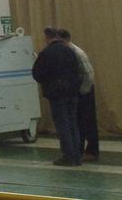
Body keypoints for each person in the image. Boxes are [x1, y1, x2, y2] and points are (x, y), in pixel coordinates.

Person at [31, 26, 83, 167]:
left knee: (63, 125)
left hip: (57, 94)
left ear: (47, 37)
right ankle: (77, 156)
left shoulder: (46, 53)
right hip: (72, 92)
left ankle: (68, 156)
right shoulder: (70, 51)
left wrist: (48, 82)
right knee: (73, 124)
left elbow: (36, 73)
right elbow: (79, 70)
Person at [60, 29, 99, 160]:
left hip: (85, 91)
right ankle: (80, 149)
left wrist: (82, 92)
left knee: (86, 123)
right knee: (80, 122)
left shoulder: (76, 52)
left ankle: (92, 151)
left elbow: (89, 74)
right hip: (81, 90)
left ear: (64, 40)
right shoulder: (69, 52)